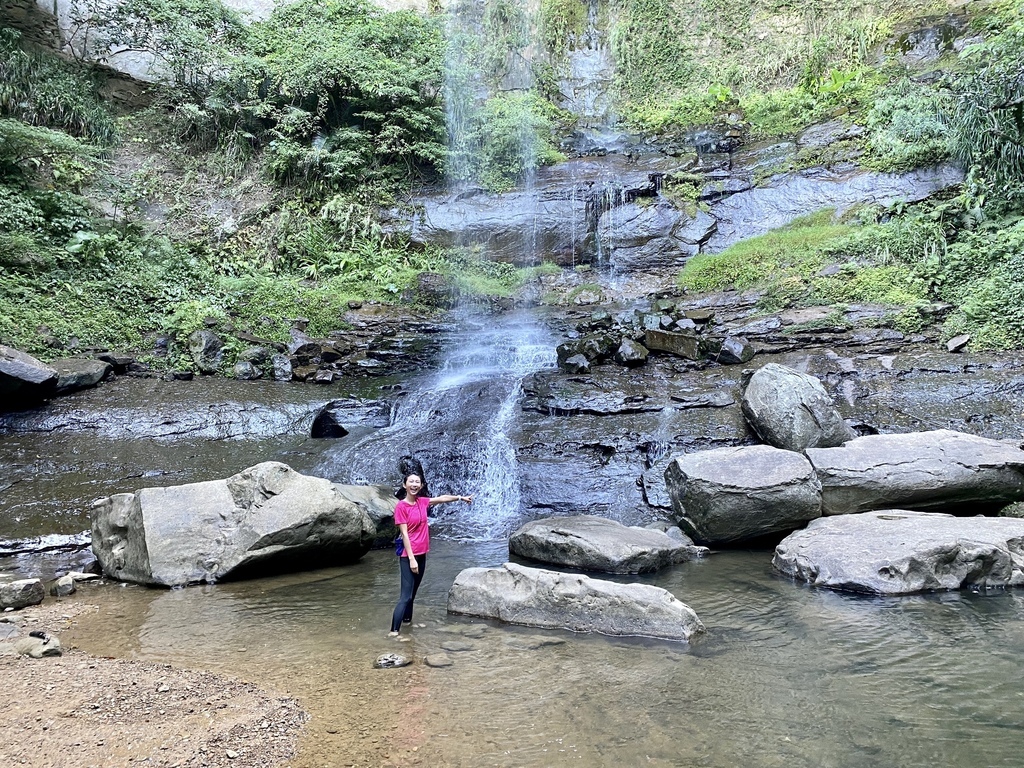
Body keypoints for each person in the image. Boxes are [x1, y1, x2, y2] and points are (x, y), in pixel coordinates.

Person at [389, 472, 472, 637]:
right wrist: (411, 559)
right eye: (411, 482)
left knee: (413, 594)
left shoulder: (422, 502)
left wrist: (460, 498)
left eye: (417, 482)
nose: (414, 485)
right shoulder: (401, 507)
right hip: (409, 556)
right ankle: (393, 632)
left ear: (420, 486)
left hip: (422, 554)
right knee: (405, 596)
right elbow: (404, 534)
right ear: (405, 485)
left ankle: (407, 624)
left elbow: (441, 499)